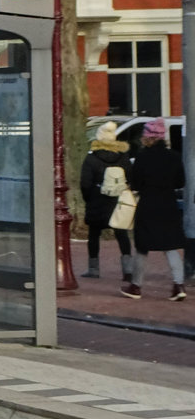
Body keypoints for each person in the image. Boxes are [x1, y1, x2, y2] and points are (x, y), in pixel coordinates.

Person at [122, 117, 187, 301]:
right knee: (170, 246)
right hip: (168, 205)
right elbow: (180, 182)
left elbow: (136, 184)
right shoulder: (174, 156)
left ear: (148, 137)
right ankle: (179, 285)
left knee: (142, 246)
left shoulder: (142, 157)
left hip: (148, 205)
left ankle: (136, 286)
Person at [78, 121, 134, 281]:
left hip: (97, 200)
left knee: (94, 234)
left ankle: (93, 268)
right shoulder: (123, 157)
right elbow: (130, 178)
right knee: (121, 234)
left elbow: (85, 183)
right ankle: (128, 270)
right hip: (118, 201)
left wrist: (88, 198)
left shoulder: (91, 158)